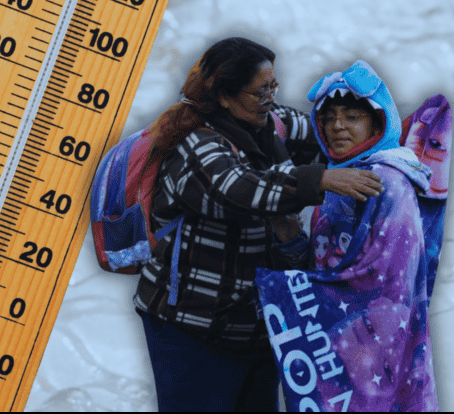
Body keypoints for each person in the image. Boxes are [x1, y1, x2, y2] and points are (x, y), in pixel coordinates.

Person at [133, 39, 384, 412]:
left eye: (273, 87)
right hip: (191, 328)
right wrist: (320, 179)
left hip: (256, 324)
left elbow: (327, 136)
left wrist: (380, 134)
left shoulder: (271, 122)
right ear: (224, 97)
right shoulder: (195, 145)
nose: (270, 98)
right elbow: (239, 189)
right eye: (259, 91)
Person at [254, 60, 439, 411]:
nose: (338, 126)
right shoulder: (341, 177)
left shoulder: (387, 181)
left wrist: (287, 291)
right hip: (332, 345)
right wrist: (290, 237)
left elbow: (383, 279)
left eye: (352, 117)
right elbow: (322, 260)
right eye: (328, 117)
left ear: (378, 122)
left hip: (368, 350)